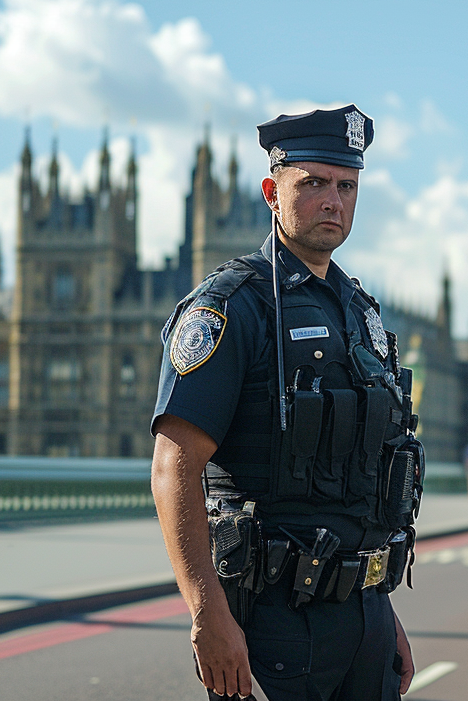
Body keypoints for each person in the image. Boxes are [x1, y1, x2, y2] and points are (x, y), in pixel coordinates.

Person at [151, 105, 419, 701]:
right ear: (273, 192)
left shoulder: (359, 312)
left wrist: (379, 614)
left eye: (346, 186)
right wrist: (206, 613)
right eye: (314, 183)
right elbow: (175, 465)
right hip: (270, 622)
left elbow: (355, 481)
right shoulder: (231, 307)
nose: (333, 201)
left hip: (362, 619)